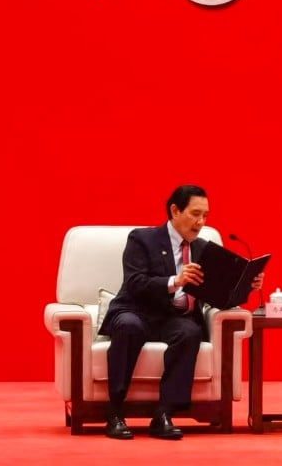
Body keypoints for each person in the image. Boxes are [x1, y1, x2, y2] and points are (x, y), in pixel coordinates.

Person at [98, 184, 264, 440]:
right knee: (129, 326)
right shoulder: (142, 239)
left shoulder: (203, 249)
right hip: (136, 310)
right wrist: (174, 281)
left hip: (173, 319)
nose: (201, 222)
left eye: (205, 216)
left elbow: (220, 296)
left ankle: (163, 415)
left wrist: (247, 287)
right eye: (195, 214)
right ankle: (115, 412)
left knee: (190, 331)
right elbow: (135, 283)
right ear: (175, 211)